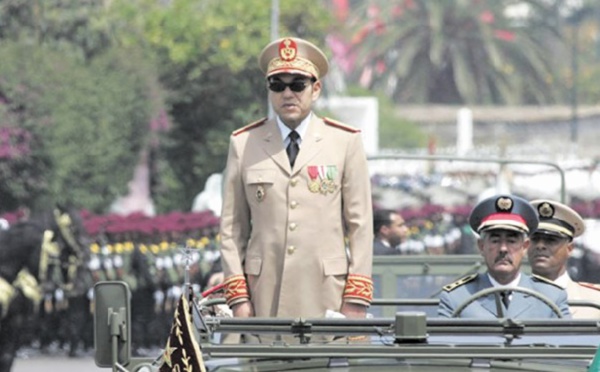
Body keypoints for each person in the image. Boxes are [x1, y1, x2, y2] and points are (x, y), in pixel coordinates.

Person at [219, 37, 374, 320]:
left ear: (315, 89)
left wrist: (356, 296)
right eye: (277, 85)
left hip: (328, 294)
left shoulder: (344, 141)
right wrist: (238, 297)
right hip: (263, 296)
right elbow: (232, 228)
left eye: (297, 84)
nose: (287, 93)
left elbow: (360, 224)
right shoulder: (244, 143)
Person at [438, 194, 570, 319]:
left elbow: (566, 342)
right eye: (495, 241)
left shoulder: (551, 298)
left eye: (511, 241)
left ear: (525, 247)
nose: (503, 249)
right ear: (481, 246)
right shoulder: (456, 298)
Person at [528, 199, 600, 318]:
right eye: (535, 239)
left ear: (569, 249)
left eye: (551, 240)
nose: (540, 246)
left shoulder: (594, 300)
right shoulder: (510, 297)